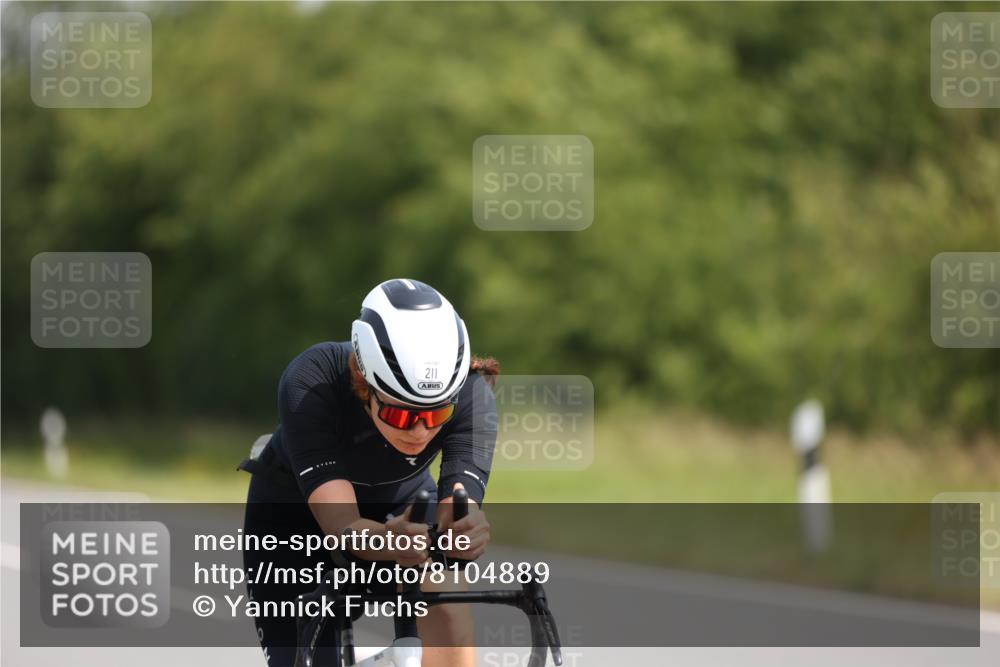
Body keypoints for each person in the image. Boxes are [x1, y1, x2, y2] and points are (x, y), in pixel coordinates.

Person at [240, 278, 498, 667]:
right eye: (400, 413)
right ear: (364, 384)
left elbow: (455, 507)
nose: (420, 432)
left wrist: (465, 529)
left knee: (449, 614)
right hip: (294, 517)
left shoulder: (471, 394)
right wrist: (385, 542)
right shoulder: (313, 380)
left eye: (436, 415)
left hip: (403, 504)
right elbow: (341, 522)